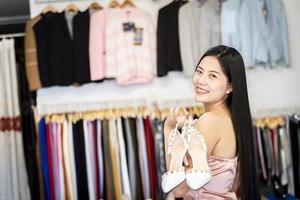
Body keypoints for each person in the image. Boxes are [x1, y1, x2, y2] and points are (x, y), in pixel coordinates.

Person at [163, 45, 259, 199]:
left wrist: (168, 129)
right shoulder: (232, 120)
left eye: (212, 76)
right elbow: (232, 185)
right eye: (199, 71)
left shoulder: (209, 121)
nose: (201, 80)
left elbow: (178, 190)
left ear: (230, 86)